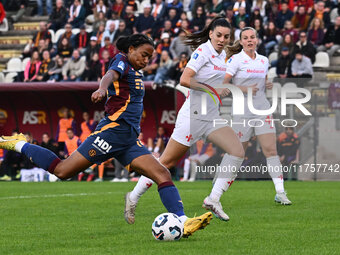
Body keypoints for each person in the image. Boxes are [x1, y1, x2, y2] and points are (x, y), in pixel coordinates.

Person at [0, 34, 212, 238]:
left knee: (162, 174)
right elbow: (110, 75)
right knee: (62, 171)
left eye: (150, 57)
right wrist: (102, 88)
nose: (146, 60)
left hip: (128, 141)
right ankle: (20, 144)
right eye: (144, 54)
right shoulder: (121, 61)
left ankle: (183, 221)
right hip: (110, 133)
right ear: (130, 50)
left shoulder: (137, 71)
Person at [125, 17, 244, 223]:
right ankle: (133, 197)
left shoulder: (223, 52)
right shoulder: (202, 52)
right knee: (165, 163)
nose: (222, 39)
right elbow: (185, 79)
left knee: (237, 151)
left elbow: (234, 51)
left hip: (211, 116)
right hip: (193, 116)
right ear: (210, 34)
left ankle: (213, 199)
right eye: (218, 35)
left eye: (226, 36)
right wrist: (213, 90)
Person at [224, 27, 292, 205]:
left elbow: (262, 82)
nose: (249, 40)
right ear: (241, 42)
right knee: (236, 154)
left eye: (252, 37)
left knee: (271, 150)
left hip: (262, 110)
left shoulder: (263, 60)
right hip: (242, 112)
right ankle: (216, 191)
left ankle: (280, 192)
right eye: (245, 38)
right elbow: (224, 85)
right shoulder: (235, 60)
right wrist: (245, 89)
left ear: (257, 39)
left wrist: (267, 84)